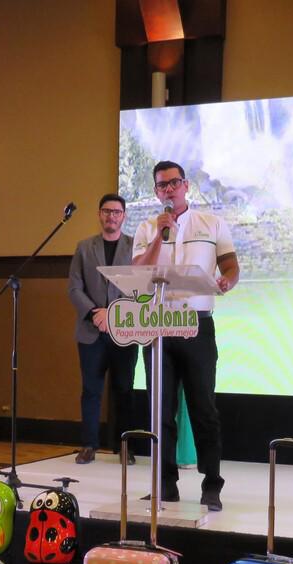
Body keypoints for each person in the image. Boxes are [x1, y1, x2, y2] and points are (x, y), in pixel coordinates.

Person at [132, 161, 239, 511]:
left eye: (174, 183)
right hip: (158, 325)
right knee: (160, 410)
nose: (169, 190)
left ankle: (212, 484)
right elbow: (138, 273)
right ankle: (165, 484)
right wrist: (159, 235)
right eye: (162, 186)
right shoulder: (149, 228)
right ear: (156, 192)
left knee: (202, 407)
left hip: (196, 323)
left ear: (186, 185)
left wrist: (227, 281)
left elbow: (230, 265)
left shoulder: (211, 223)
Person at [68, 193, 140, 465]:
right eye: (107, 211)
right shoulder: (84, 247)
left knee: (124, 389)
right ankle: (88, 444)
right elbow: (74, 287)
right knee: (91, 390)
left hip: (124, 331)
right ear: (100, 214)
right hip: (91, 330)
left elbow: (140, 288)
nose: (112, 216)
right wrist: (95, 313)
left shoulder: (135, 248)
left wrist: (116, 316)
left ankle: (124, 447)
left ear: (124, 216)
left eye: (117, 212)